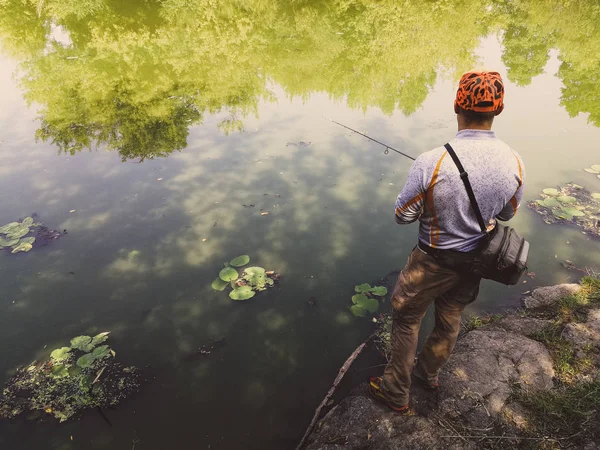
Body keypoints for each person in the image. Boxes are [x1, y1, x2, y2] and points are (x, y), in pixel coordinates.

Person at [368, 71, 525, 414]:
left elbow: (402, 215)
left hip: (431, 261)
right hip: (473, 262)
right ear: (497, 111)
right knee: (450, 317)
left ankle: (396, 391)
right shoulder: (514, 161)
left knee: (408, 320)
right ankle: (428, 374)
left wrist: (432, 206)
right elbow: (508, 214)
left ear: (457, 105)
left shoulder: (431, 161)